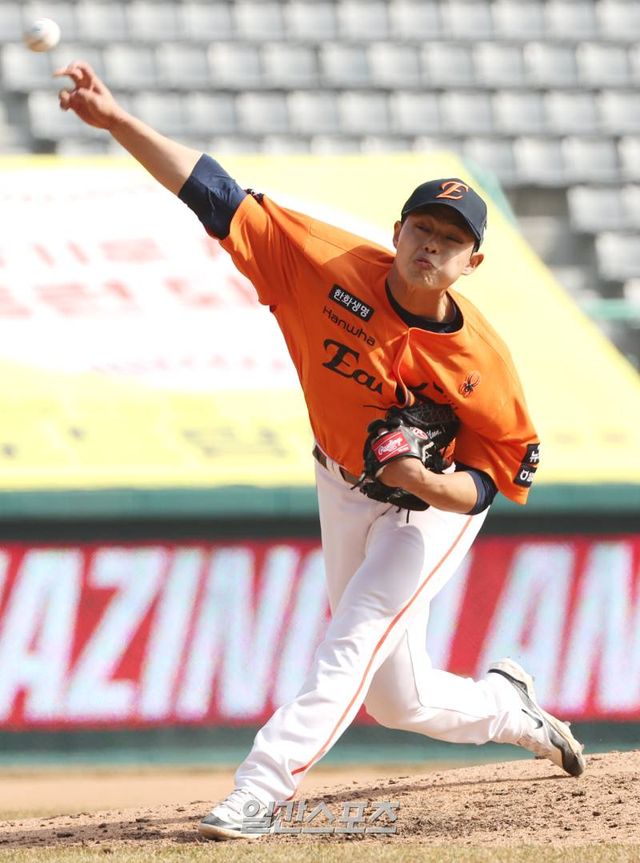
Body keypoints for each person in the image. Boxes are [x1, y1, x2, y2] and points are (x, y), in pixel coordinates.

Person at [56, 62, 585, 841]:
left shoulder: (481, 361)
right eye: (423, 229)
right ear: (397, 232)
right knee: (397, 699)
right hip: (340, 481)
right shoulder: (322, 266)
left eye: (452, 240)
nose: (433, 246)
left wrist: (423, 481)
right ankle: (509, 707)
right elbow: (213, 192)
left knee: (351, 640)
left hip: (429, 510)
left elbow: (493, 478)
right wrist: (117, 121)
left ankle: (260, 789)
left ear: (473, 263)